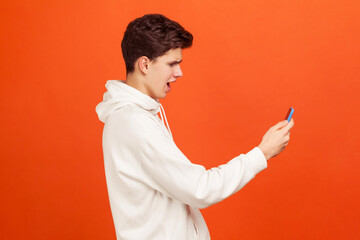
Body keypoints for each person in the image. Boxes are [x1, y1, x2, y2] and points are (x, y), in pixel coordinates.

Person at [95, 13, 294, 240]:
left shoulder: (137, 116)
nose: (179, 72)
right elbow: (200, 189)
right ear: (144, 64)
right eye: (172, 63)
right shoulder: (134, 123)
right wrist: (262, 153)